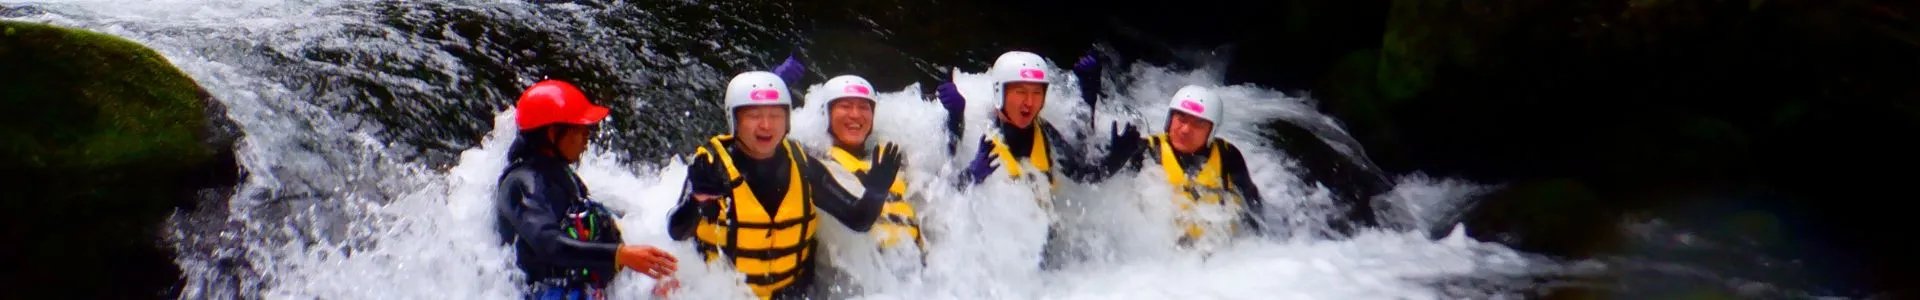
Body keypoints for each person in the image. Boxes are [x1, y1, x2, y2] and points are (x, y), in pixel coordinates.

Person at [664, 71, 905, 300]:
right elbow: (676, 231)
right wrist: (697, 199)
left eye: (776, 115)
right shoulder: (710, 168)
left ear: (787, 120)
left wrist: (875, 191)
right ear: (734, 119)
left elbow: (859, 219)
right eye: (754, 116)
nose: (767, 126)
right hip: (726, 293)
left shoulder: (804, 166)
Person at [495, 80, 679, 300]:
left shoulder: (564, 177)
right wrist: (621, 256)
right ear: (553, 134)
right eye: (580, 130)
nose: (586, 140)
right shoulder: (521, 185)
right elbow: (550, 244)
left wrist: (642, 287)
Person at [931, 50, 1112, 268]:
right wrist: (954, 119)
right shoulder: (980, 128)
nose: (1029, 102)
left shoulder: (1045, 133)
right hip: (991, 262)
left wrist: (1089, 98)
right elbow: (941, 193)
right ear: (1000, 92)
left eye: (1037, 93)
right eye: (1020, 92)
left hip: (1045, 258)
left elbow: (1080, 172)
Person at [1089, 85, 1268, 251]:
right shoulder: (1144, 151)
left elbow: (1252, 205)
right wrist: (1113, 161)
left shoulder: (1228, 155)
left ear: (1211, 131)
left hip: (1216, 252)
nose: (1185, 130)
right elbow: (1093, 182)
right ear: (1169, 119)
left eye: (1198, 124)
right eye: (1180, 119)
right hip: (1159, 253)